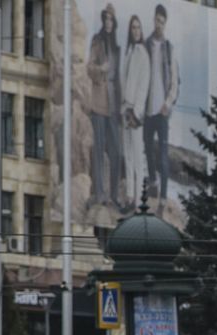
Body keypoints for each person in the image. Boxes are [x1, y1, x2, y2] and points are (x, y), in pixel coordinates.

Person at [144, 4, 179, 213]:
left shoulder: (168, 48)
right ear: (154, 20)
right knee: (148, 149)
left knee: (163, 155)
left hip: (162, 110)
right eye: (156, 20)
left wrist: (168, 102)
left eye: (162, 21)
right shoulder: (147, 44)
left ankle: (164, 198)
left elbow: (174, 79)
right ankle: (153, 185)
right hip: (148, 108)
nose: (158, 24)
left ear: (165, 23)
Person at [86, 4, 122, 209]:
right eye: (106, 19)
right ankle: (99, 193)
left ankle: (114, 194)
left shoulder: (116, 47)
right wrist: (101, 69)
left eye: (111, 19)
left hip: (113, 105)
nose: (108, 22)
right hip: (99, 102)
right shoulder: (97, 41)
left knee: (116, 151)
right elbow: (89, 68)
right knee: (99, 149)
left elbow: (118, 79)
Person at [120, 14, 150, 211]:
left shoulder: (142, 54)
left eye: (138, 27)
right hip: (125, 108)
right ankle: (130, 197)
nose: (136, 31)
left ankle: (140, 200)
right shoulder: (129, 51)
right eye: (133, 28)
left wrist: (137, 112)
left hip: (135, 111)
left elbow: (143, 85)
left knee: (138, 157)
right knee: (128, 155)